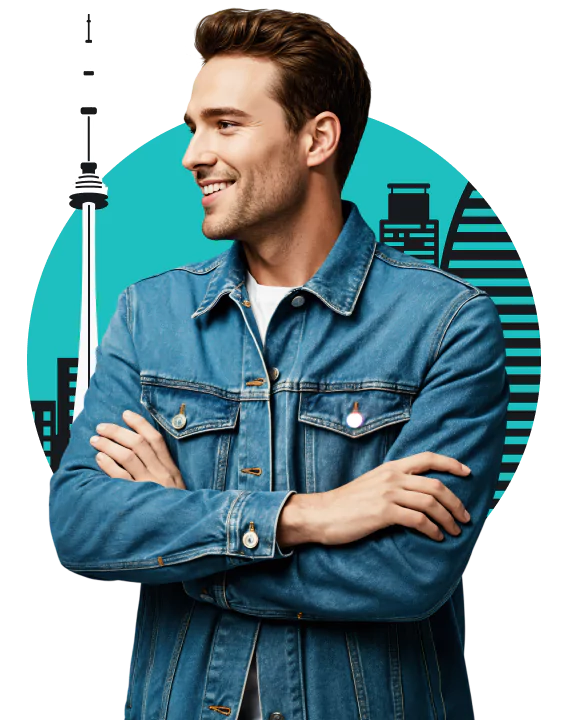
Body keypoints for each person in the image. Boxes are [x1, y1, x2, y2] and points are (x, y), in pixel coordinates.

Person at [47, 8, 510, 720]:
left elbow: (408, 573)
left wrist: (188, 548)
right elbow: (80, 526)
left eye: (226, 125)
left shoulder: (447, 324)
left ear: (317, 138)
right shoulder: (150, 315)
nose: (192, 155)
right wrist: (307, 517)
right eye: (193, 126)